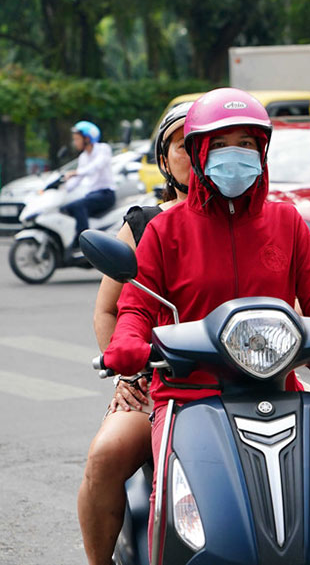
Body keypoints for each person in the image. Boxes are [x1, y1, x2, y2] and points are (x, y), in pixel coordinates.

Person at [100, 87, 310, 560]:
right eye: (219, 144)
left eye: (246, 144)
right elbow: (135, 306)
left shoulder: (286, 223)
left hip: (277, 383)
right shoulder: (164, 230)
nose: (233, 154)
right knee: (166, 498)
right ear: (198, 154)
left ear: (262, 152)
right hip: (186, 392)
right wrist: (129, 341)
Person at [77, 102, 192, 565]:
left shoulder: (266, 220)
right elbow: (109, 310)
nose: (201, 156)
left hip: (253, 375)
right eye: (185, 146)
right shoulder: (146, 224)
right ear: (164, 159)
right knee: (107, 455)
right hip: (161, 380)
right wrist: (128, 374)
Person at [62, 121, 116, 245]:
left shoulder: (103, 149)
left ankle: (83, 241)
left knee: (79, 206)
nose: (75, 142)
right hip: (92, 195)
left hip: (106, 194)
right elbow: (76, 180)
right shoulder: (83, 157)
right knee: (65, 208)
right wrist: (62, 188)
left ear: (87, 139)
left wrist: (75, 172)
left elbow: (95, 166)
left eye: (77, 139)